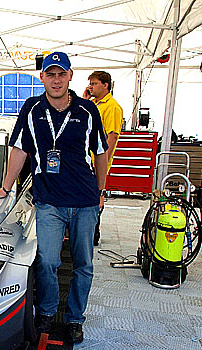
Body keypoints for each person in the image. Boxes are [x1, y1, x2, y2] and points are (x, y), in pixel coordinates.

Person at [0, 51, 108, 344]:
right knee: (47, 261)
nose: (56, 80)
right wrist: (5, 186)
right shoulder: (31, 108)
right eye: (50, 74)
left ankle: (75, 319)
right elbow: (19, 148)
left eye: (61, 74)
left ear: (70, 76)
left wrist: (100, 191)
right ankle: (47, 311)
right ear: (42, 77)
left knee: (84, 265)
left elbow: (101, 152)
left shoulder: (87, 111)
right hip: (49, 200)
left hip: (84, 200)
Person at [83, 70, 123, 245]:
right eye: (90, 84)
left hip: (96, 162)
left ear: (106, 85)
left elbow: (112, 137)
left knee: (95, 198)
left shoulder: (112, 107)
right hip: (85, 160)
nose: (90, 87)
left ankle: (93, 235)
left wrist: (102, 163)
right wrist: (84, 101)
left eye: (94, 84)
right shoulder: (94, 104)